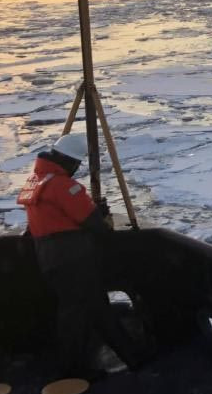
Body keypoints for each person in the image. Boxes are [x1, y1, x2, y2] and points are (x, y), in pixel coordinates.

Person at [16, 132, 145, 378]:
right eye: (76, 163)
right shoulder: (64, 187)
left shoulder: (35, 181)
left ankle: (133, 357)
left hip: (48, 257)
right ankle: (72, 371)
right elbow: (95, 224)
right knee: (75, 315)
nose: (77, 168)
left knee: (94, 307)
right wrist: (100, 216)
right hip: (73, 260)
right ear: (68, 161)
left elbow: (45, 220)